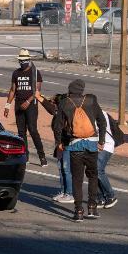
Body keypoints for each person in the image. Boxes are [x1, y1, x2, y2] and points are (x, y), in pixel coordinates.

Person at [53, 79, 107, 222]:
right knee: (93, 176)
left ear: (70, 89)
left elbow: (57, 126)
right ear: (82, 89)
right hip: (92, 145)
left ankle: (78, 211)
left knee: (77, 179)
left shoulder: (64, 103)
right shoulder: (91, 100)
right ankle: (92, 207)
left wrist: (59, 143)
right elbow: (102, 121)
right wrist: (101, 141)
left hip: (75, 146)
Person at [4, 49, 47, 167]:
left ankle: (42, 156)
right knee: (21, 132)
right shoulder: (16, 73)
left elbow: (37, 91)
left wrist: (28, 101)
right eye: (20, 61)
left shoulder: (35, 73)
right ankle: (25, 156)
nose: (22, 63)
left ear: (29, 60)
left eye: (24, 61)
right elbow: (13, 90)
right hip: (18, 104)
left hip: (31, 105)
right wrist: (7, 105)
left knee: (33, 130)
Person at [36, 91, 74, 204]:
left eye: (54, 102)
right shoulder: (61, 111)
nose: (53, 104)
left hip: (66, 144)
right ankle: (64, 191)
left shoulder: (61, 112)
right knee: (61, 167)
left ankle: (69, 194)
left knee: (66, 169)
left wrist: (39, 98)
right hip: (62, 144)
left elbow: (51, 109)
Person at [97, 110, 118, 209]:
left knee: (98, 170)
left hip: (105, 145)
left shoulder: (99, 113)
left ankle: (111, 196)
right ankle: (100, 197)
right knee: (92, 171)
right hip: (95, 146)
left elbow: (100, 128)